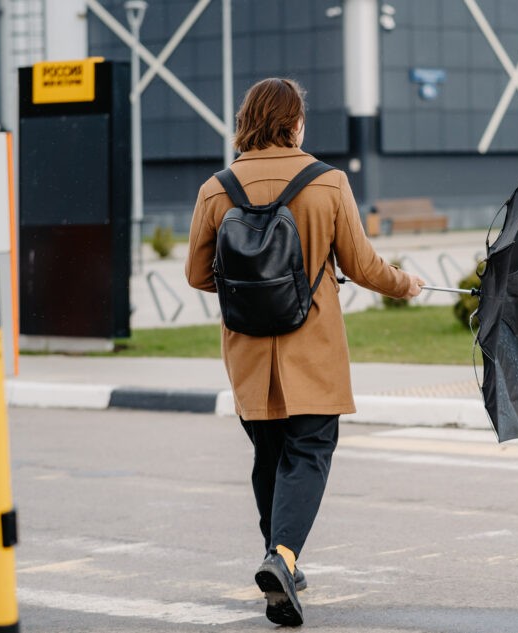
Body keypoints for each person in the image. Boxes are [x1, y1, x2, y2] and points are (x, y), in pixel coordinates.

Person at [185, 77, 423, 627]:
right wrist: (407, 283)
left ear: (248, 120)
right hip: (311, 348)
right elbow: (364, 268)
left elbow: (199, 274)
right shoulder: (328, 182)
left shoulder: (216, 189)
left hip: (248, 354)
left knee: (269, 456)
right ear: (294, 124)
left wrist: (254, 282)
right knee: (309, 452)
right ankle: (284, 558)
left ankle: (280, 559)